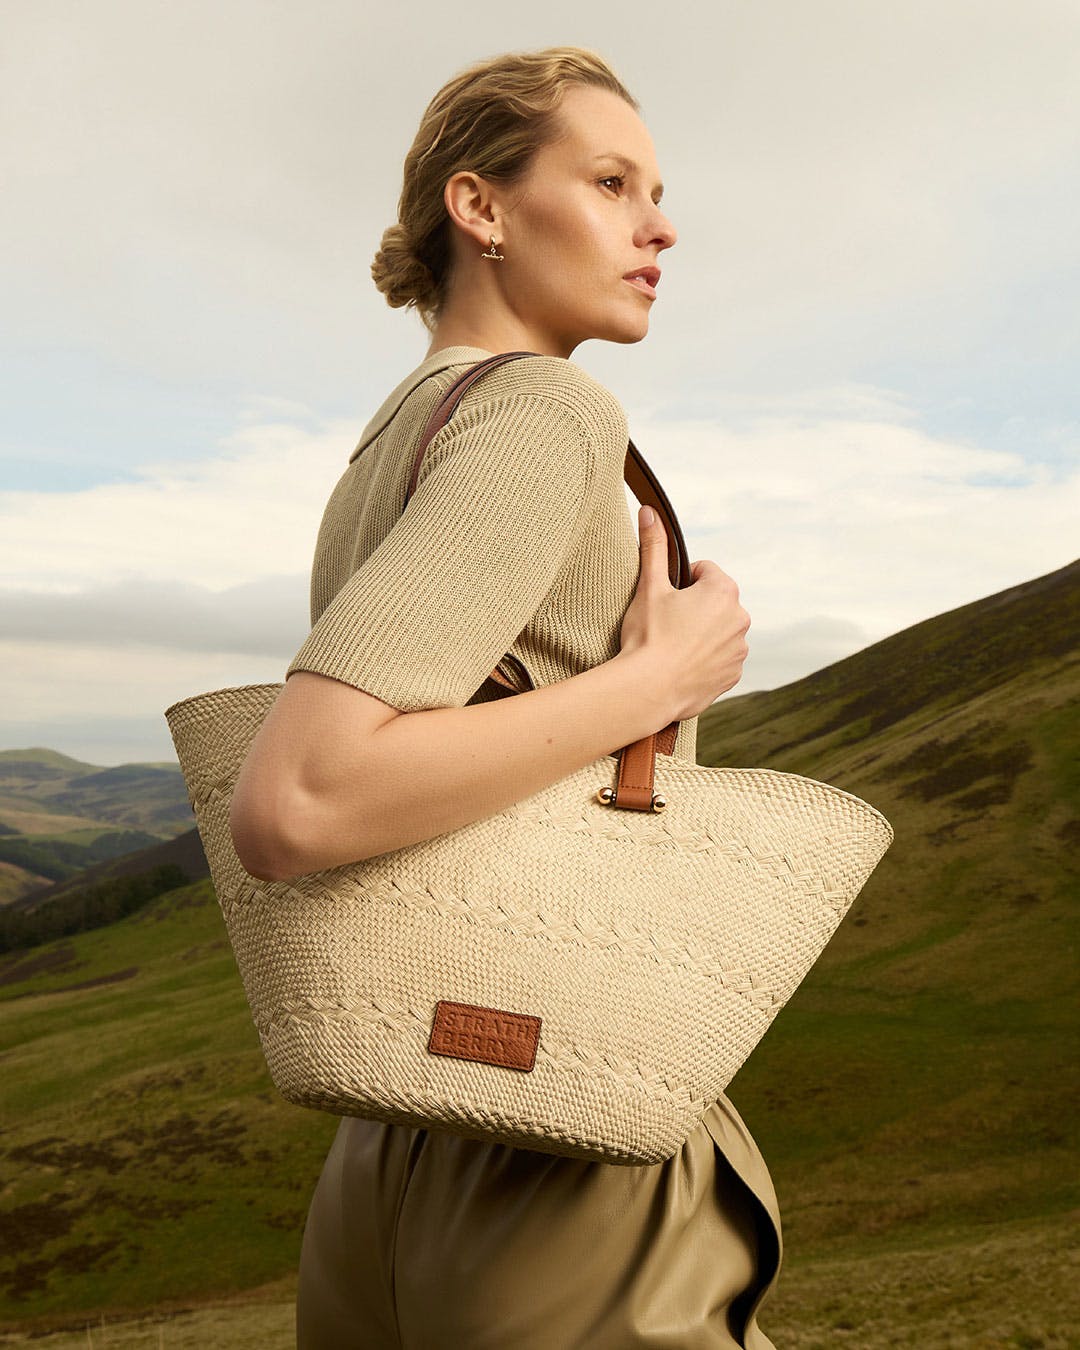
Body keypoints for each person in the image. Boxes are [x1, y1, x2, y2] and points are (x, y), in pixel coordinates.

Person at [228, 45, 782, 1350]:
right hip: (563, 1129)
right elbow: (301, 798)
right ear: (480, 210)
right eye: (608, 181)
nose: (661, 224)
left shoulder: (396, 434)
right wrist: (662, 676)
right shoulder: (543, 412)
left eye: (655, 188)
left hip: (387, 1155)